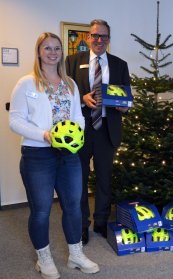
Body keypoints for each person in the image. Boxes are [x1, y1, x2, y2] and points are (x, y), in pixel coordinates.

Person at [9, 32, 99, 279]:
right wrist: (44, 135)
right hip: (37, 155)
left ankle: (75, 255)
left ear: (62, 52)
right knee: (41, 210)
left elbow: (78, 117)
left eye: (57, 48)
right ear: (39, 52)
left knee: (73, 207)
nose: (52, 52)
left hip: (68, 155)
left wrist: (77, 134)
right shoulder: (26, 83)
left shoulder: (69, 83)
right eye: (47, 48)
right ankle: (44, 258)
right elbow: (14, 120)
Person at [65, 19, 130, 245]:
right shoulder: (73, 61)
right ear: (88, 38)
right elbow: (65, 94)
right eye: (95, 36)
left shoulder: (120, 64)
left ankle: (101, 222)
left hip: (107, 130)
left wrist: (124, 105)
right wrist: (81, 98)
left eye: (103, 36)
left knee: (104, 179)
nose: (99, 40)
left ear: (109, 40)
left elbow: (126, 98)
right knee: (79, 180)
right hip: (81, 130)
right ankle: (82, 225)